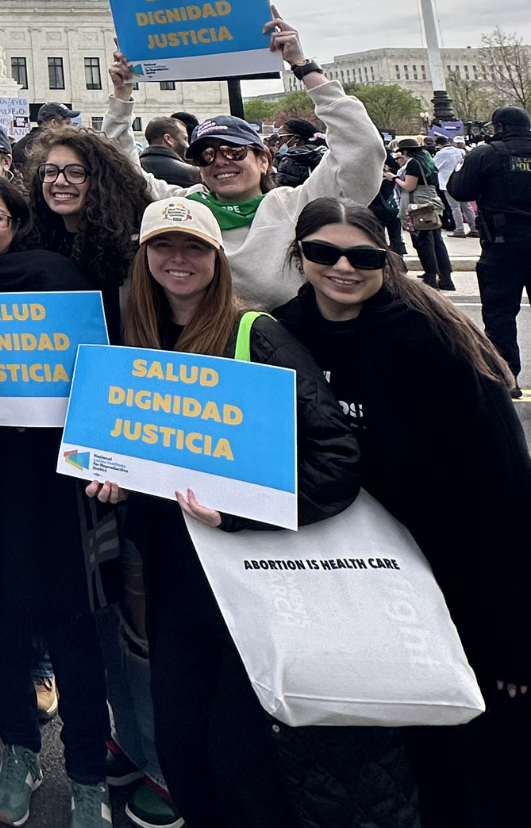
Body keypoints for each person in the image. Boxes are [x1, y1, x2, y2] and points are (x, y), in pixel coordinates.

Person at [87, 198, 364, 828]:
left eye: (193, 248)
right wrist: (118, 479)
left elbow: (336, 461)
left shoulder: (255, 334)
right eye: (163, 247)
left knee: (237, 756)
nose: (177, 260)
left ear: (218, 259)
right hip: (172, 579)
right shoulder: (137, 341)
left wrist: (239, 513)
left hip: (246, 582)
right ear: (144, 257)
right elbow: (146, 455)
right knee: (182, 748)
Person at [272, 197, 531, 825]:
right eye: (322, 253)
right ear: (297, 255)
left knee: (467, 762)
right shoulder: (277, 335)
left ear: (386, 260)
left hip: (450, 580)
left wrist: (513, 641)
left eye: (362, 256)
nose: (342, 267)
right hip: (338, 585)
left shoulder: (439, 340)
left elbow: (506, 490)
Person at [0, 171, 124, 828]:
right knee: (1, 622)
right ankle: (18, 749)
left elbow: (98, 366)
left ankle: (88, 770)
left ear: (16, 225)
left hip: (55, 478)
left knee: (72, 627)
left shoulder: (58, 277)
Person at [104, 10, 384, 309]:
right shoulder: (184, 207)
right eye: (207, 155)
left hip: (282, 350)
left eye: (235, 151)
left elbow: (363, 148)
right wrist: (122, 96)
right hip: (201, 352)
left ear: (264, 160)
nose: (221, 161)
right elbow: (120, 169)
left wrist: (302, 66)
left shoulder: (300, 206)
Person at [24, 126, 152, 344]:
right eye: (50, 171)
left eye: (75, 172)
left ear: (102, 181)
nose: (60, 181)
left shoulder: (136, 249)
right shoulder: (31, 240)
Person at [446, 105, 531, 393]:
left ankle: (508, 378)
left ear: (499, 127)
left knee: (500, 314)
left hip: (503, 244)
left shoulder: (487, 154)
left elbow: (458, 190)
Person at [392, 135, 454, 290]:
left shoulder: (413, 163)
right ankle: (446, 277)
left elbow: (409, 186)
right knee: (437, 241)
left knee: (424, 242)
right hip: (431, 201)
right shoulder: (428, 161)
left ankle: (431, 276)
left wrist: (393, 178)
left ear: (406, 151)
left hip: (418, 204)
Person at [431, 135, 476, 237]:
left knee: (455, 207)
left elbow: (433, 167)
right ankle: (474, 228)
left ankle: (459, 229)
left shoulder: (441, 154)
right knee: (467, 206)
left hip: (447, 182)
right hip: (462, 181)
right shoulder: (460, 151)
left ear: (439, 144)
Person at [140, 117, 201, 188]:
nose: (188, 145)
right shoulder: (193, 174)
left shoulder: (133, 169)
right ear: (168, 139)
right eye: (185, 139)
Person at [11, 102, 73, 169]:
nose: (70, 127)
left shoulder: (25, 143)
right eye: (67, 123)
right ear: (54, 123)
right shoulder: (28, 146)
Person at [273, 118, 326, 188]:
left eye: (281, 137)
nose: (277, 142)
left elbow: (282, 194)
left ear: (296, 139)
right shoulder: (327, 155)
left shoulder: (289, 161)